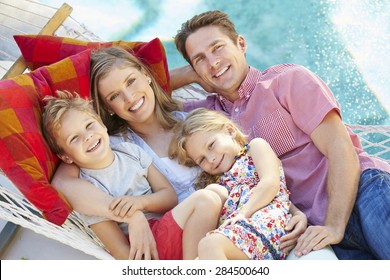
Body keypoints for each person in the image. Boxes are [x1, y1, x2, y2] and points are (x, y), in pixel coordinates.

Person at [171, 10, 390, 259]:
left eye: (217, 48)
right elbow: (144, 95)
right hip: (313, 233)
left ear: (241, 44)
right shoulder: (208, 120)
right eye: (200, 59)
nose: (213, 62)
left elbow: (340, 148)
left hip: (364, 194)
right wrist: (191, 73)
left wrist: (334, 225)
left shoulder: (287, 81)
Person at [52, 46, 306, 258]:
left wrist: (292, 212)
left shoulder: (194, 122)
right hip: (189, 243)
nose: (130, 98)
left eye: (132, 81)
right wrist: (132, 214)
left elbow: (247, 171)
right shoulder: (113, 147)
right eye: (115, 96)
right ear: (107, 108)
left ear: (146, 75)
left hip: (241, 228)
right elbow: (63, 182)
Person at [42, 90, 221, 260]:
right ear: (65, 156)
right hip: (150, 249)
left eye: (89, 126)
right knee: (206, 199)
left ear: (101, 123)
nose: (87, 137)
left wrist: (140, 203)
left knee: (216, 191)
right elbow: (121, 252)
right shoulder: (88, 189)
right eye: (74, 138)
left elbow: (169, 196)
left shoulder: (131, 151)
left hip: (169, 226)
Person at [170, 108, 302, 260]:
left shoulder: (255, 148)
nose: (211, 159)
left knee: (209, 244)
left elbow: (271, 184)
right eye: (201, 160)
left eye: (211, 145)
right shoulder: (219, 184)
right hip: (239, 234)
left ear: (230, 130)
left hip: (266, 224)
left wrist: (242, 213)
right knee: (204, 252)